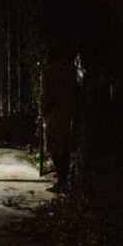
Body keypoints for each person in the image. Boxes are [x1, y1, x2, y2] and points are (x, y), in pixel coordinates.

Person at [40, 45, 81, 193]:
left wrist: (44, 111)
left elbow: (47, 95)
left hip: (54, 113)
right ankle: (64, 179)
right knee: (64, 146)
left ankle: (62, 180)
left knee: (55, 147)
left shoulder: (51, 73)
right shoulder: (70, 72)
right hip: (66, 112)